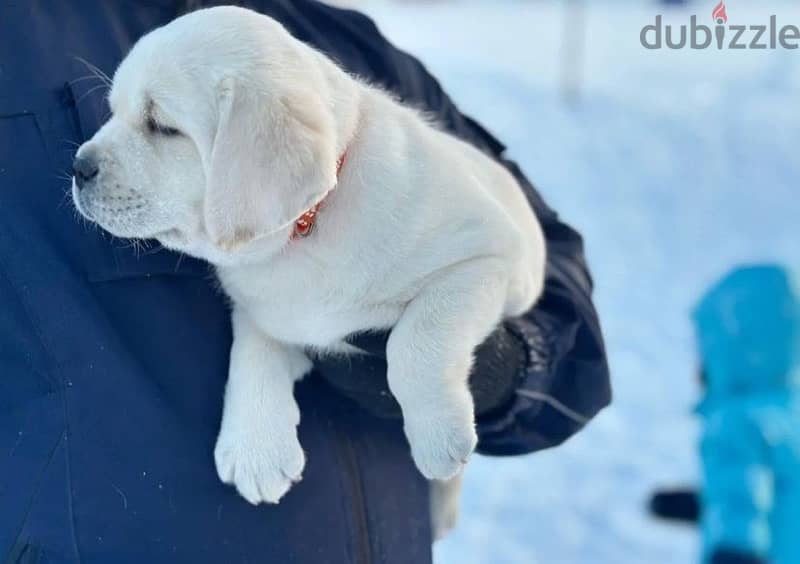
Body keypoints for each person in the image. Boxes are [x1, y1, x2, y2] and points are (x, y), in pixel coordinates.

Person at [0, 1, 610, 562]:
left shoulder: (350, 48)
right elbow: (263, 294)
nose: (90, 154)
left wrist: (496, 366)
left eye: (160, 127)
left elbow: (541, 269)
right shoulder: (23, 33)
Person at [693, 265, 800, 564]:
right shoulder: (790, 415)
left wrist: (732, 550)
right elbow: (783, 493)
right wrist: (701, 504)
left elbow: (742, 494)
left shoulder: (735, 420)